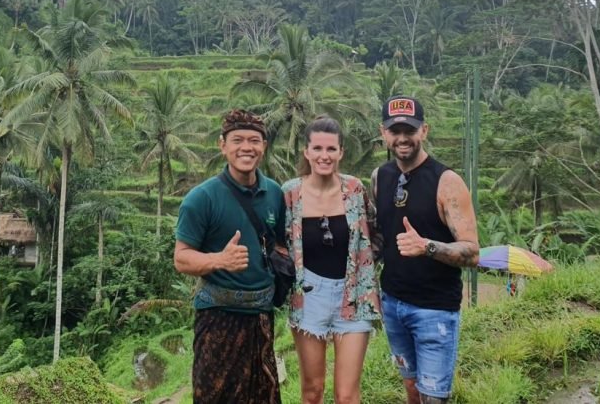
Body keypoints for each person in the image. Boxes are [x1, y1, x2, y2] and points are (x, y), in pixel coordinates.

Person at [174, 109, 286, 404]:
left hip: (261, 318)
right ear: (222, 145)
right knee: (215, 397)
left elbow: (280, 244)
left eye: (254, 140)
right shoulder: (202, 198)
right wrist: (219, 260)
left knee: (263, 396)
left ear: (264, 147)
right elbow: (181, 258)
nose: (246, 147)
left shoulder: (275, 193)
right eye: (237, 140)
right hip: (217, 318)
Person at [372, 96, 479, 404]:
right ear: (383, 133)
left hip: (434, 309)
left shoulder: (446, 181)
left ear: (424, 130)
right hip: (393, 303)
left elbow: (472, 253)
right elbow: (379, 237)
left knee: (433, 397)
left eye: (410, 130)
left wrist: (427, 246)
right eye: (395, 131)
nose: (402, 138)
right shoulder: (381, 177)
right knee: (411, 388)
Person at [282, 116, 380, 404]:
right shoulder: (291, 193)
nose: (324, 156)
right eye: (317, 148)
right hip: (308, 296)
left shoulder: (355, 190)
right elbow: (277, 239)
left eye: (331, 149)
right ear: (307, 151)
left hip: (353, 295)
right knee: (312, 391)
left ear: (341, 152)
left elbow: (374, 231)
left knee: (346, 395)